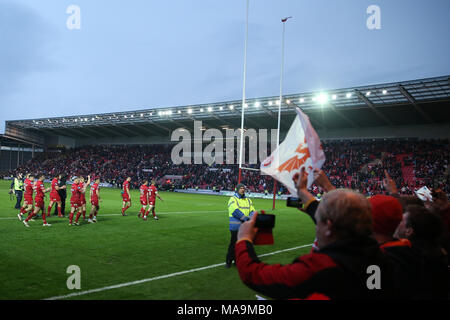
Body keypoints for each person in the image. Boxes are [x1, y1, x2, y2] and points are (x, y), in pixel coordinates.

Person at [235, 168, 395, 299]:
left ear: (329, 227)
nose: (316, 225)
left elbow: (253, 275)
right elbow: (342, 215)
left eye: (319, 221)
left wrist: (244, 239)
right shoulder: (384, 258)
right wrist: (303, 191)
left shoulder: (322, 268)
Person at [395, 205, 449, 299]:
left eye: (401, 221)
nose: (395, 222)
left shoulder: (406, 260)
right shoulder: (437, 252)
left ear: (409, 231)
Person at [226, 183, 255, 269]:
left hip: (245, 227)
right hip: (236, 227)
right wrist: (246, 219)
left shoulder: (248, 200)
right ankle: (228, 262)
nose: (243, 189)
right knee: (233, 244)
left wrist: (250, 217)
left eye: (243, 188)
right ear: (237, 189)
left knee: (242, 245)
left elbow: (252, 210)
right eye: (241, 188)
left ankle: (236, 261)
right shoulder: (232, 199)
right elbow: (235, 211)